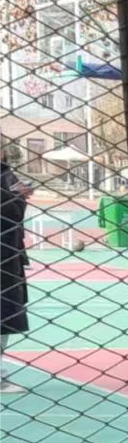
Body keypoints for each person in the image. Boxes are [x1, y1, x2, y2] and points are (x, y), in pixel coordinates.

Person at [0, 156, 33, 395]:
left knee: (6, 316)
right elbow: (10, 211)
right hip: (3, 255)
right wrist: (16, 196)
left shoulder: (5, 172)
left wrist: (18, 195)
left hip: (8, 254)